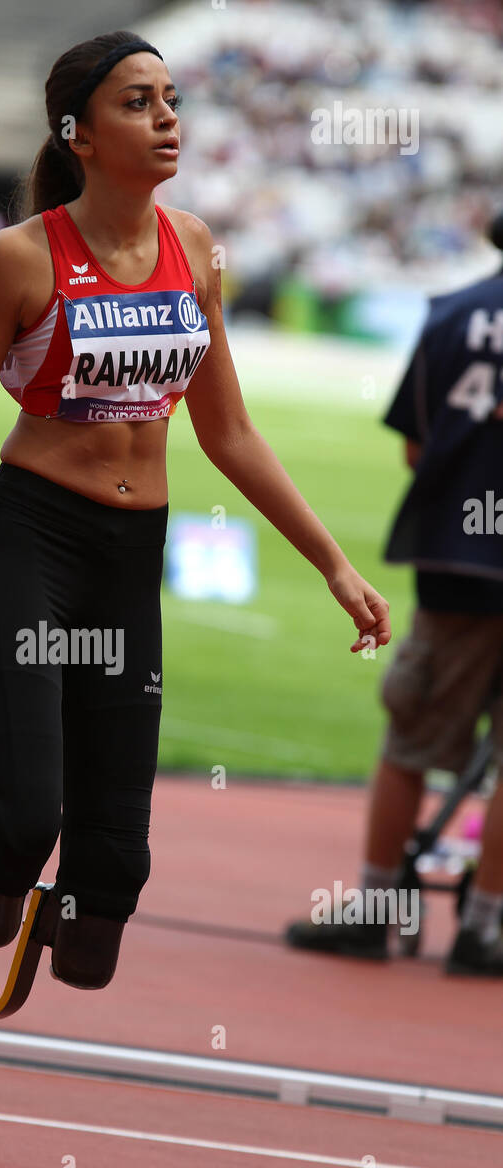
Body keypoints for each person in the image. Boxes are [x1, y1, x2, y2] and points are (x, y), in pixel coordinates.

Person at [0, 31, 390, 990]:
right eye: (137, 102)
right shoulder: (19, 260)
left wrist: (334, 564)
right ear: (77, 134)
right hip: (27, 546)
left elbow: (231, 434)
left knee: (111, 879)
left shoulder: (196, 247)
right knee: (20, 823)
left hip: (131, 557)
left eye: (171, 99)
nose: (167, 118)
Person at [287, 211, 503, 975]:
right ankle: (485, 928)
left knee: (411, 739)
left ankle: (375, 912)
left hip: (459, 561)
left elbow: (417, 446)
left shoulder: (451, 313)